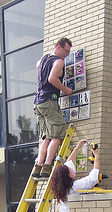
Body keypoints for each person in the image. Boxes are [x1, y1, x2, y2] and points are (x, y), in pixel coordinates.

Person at [32, 37, 74, 178]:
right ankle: (47, 167)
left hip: (38, 102)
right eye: (66, 51)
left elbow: (37, 64)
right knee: (58, 133)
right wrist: (66, 89)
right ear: (59, 47)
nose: (67, 54)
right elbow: (52, 79)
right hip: (49, 100)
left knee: (47, 138)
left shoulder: (43, 59)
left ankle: (37, 168)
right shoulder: (59, 61)